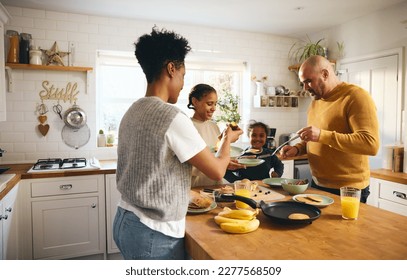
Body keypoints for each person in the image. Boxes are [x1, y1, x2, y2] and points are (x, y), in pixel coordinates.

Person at [113, 27, 243, 260]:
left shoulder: (133, 110)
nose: (183, 84)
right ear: (171, 69)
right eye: (183, 75)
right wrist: (227, 141)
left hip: (125, 219)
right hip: (153, 231)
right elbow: (216, 171)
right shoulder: (171, 117)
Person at [280, 55, 379, 203]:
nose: (305, 88)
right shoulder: (316, 102)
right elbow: (316, 139)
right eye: (303, 83)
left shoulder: (355, 96)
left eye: (308, 81)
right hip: (318, 184)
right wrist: (298, 149)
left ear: (325, 74)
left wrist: (321, 135)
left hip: (348, 189)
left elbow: (370, 144)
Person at [187, 83, 245, 186]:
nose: (214, 108)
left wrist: (226, 164)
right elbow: (188, 164)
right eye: (209, 104)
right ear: (195, 101)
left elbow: (216, 155)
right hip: (196, 188)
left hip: (216, 186)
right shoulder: (187, 127)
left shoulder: (214, 126)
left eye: (215, 104)